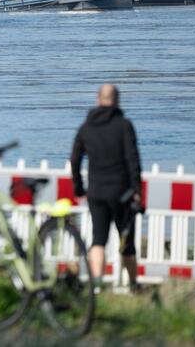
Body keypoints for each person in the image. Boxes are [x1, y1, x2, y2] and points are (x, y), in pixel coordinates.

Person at [71, 84, 143, 291]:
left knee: (98, 240)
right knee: (127, 242)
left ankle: (97, 285)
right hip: (122, 193)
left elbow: (74, 160)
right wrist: (137, 190)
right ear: (118, 100)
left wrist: (79, 188)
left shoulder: (86, 127)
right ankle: (133, 285)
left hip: (96, 192)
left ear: (97, 99)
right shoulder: (124, 126)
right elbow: (133, 160)